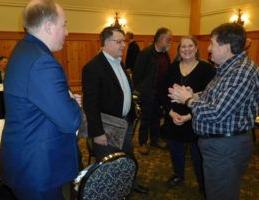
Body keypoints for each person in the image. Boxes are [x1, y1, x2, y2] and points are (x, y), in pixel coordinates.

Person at [168, 23, 259, 200]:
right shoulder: (227, 69)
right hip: (220, 145)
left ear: (226, 47)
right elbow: (210, 95)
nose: (209, 49)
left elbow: (216, 112)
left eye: (212, 44)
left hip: (226, 147)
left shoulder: (241, 72)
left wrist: (187, 100)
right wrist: (193, 94)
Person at [0, 1, 82, 200]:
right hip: (37, 169)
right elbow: (71, 121)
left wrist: (66, 98)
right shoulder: (42, 62)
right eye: (64, 24)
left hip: (26, 162)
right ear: (48, 26)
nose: (67, 32)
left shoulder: (24, 49)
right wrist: (73, 102)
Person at [82, 26, 148, 194]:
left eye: (123, 41)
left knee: (126, 157)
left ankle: (129, 186)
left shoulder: (119, 62)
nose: (123, 45)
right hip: (106, 128)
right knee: (109, 168)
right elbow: (90, 105)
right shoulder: (93, 67)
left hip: (125, 123)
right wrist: (97, 133)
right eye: (118, 42)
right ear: (106, 43)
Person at [161, 36, 215, 196]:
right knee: (176, 150)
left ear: (196, 48)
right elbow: (164, 92)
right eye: (183, 47)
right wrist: (171, 113)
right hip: (173, 117)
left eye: (190, 46)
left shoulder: (207, 69)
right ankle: (178, 175)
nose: (186, 49)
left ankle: (203, 184)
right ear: (179, 50)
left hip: (196, 119)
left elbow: (209, 97)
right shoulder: (173, 67)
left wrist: (188, 117)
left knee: (198, 156)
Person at [132, 27, 172, 155]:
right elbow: (137, 72)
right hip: (147, 93)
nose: (170, 42)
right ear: (160, 39)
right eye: (169, 39)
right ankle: (142, 143)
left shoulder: (165, 54)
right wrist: (138, 89)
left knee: (157, 118)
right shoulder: (146, 53)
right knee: (146, 119)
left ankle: (154, 141)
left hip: (160, 94)